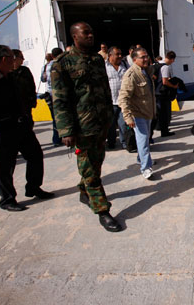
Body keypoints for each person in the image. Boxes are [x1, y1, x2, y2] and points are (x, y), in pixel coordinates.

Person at [51, 22, 122, 232]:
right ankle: (102, 210)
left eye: (91, 32)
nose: (91, 36)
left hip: (100, 123)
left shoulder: (96, 60)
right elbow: (60, 101)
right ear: (75, 37)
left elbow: (105, 92)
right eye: (86, 33)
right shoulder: (62, 64)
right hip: (81, 127)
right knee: (90, 169)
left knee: (97, 161)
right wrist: (65, 131)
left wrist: (109, 118)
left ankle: (84, 190)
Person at [0, 45, 54, 212]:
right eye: (12, 57)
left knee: (35, 156)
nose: (15, 60)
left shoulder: (10, 76)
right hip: (3, 130)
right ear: (5, 59)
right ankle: (7, 199)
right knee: (5, 166)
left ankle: (33, 187)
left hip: (21, 126)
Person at [118, 48, 157, 180]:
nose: (146, 59)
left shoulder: (146, 71)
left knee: (144, 140)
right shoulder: (131, 75)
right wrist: (128, 117)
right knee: (143, 141)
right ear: (134, 60)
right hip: (138, 114)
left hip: (148, 112)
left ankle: (141, 159)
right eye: (143, 57)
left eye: (147, 56)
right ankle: (146, 168)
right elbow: (123, 98)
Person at [105, 46, 128, 149]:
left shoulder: (125, 65)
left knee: (123, 124)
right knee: (111, 125)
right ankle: (111, 142)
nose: (120, 56)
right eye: (117, 54)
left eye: (120, 54)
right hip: (110, 102)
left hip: (123, 101)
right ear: (110, 56)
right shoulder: (104, 67)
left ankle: (124, 142)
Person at [42, 48, 63, 146]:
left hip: (49, 95)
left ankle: (57, 139)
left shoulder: (46, 66)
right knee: (60, 117)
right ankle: (58, 138)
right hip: (58, 95)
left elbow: (43, 79)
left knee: (54, 118)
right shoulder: (59, 65)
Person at [155, 51, 178, 137]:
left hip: (156, 91)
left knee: (159, 112)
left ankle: (158, 126)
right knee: (165, 113)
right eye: (173, 60)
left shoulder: (156, 64)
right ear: (172, 59)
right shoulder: (165, 67)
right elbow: (165, 81)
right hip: (162, 93)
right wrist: (173, 86)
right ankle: (164, 131)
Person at [10, 49, 37, 121]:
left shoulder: (25, 70)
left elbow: (32, 86)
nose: (23, 59)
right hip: (12, 108)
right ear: (15, 58)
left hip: (26, 105)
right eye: (21, 57)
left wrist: (33, 100)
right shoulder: (6, 73)